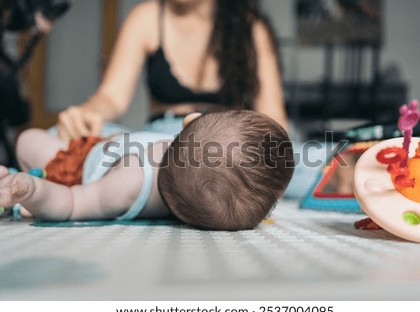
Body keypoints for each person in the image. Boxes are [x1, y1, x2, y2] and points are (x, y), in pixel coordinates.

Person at [0, 110, 294, 230]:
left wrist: (36, 192)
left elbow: (72, 202)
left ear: (190, 121)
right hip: (114, 141)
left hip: (75, 162)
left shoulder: (125, 188)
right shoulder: (195, 187)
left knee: (28, 140)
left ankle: (30, 179)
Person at [56, 0, 288, 142]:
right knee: (54, 137)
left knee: (317, 157)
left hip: (230, 144)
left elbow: (274, 120)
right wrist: (87, 113)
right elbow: (111, 97)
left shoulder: (252, 29)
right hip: (164, 139)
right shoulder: (146, 17)